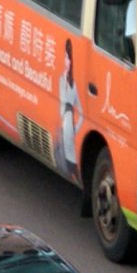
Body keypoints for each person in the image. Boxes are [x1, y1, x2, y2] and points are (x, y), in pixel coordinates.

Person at [57, 39, 82, 181]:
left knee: (72, 163)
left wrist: (75, 130)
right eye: (66, 57)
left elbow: (82, 114)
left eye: (69, 58)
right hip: (64, 125)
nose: (67, 61)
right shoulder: (62, 80)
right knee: (64, 159)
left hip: (70, 129)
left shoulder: (74, 85)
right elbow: (62, 105)